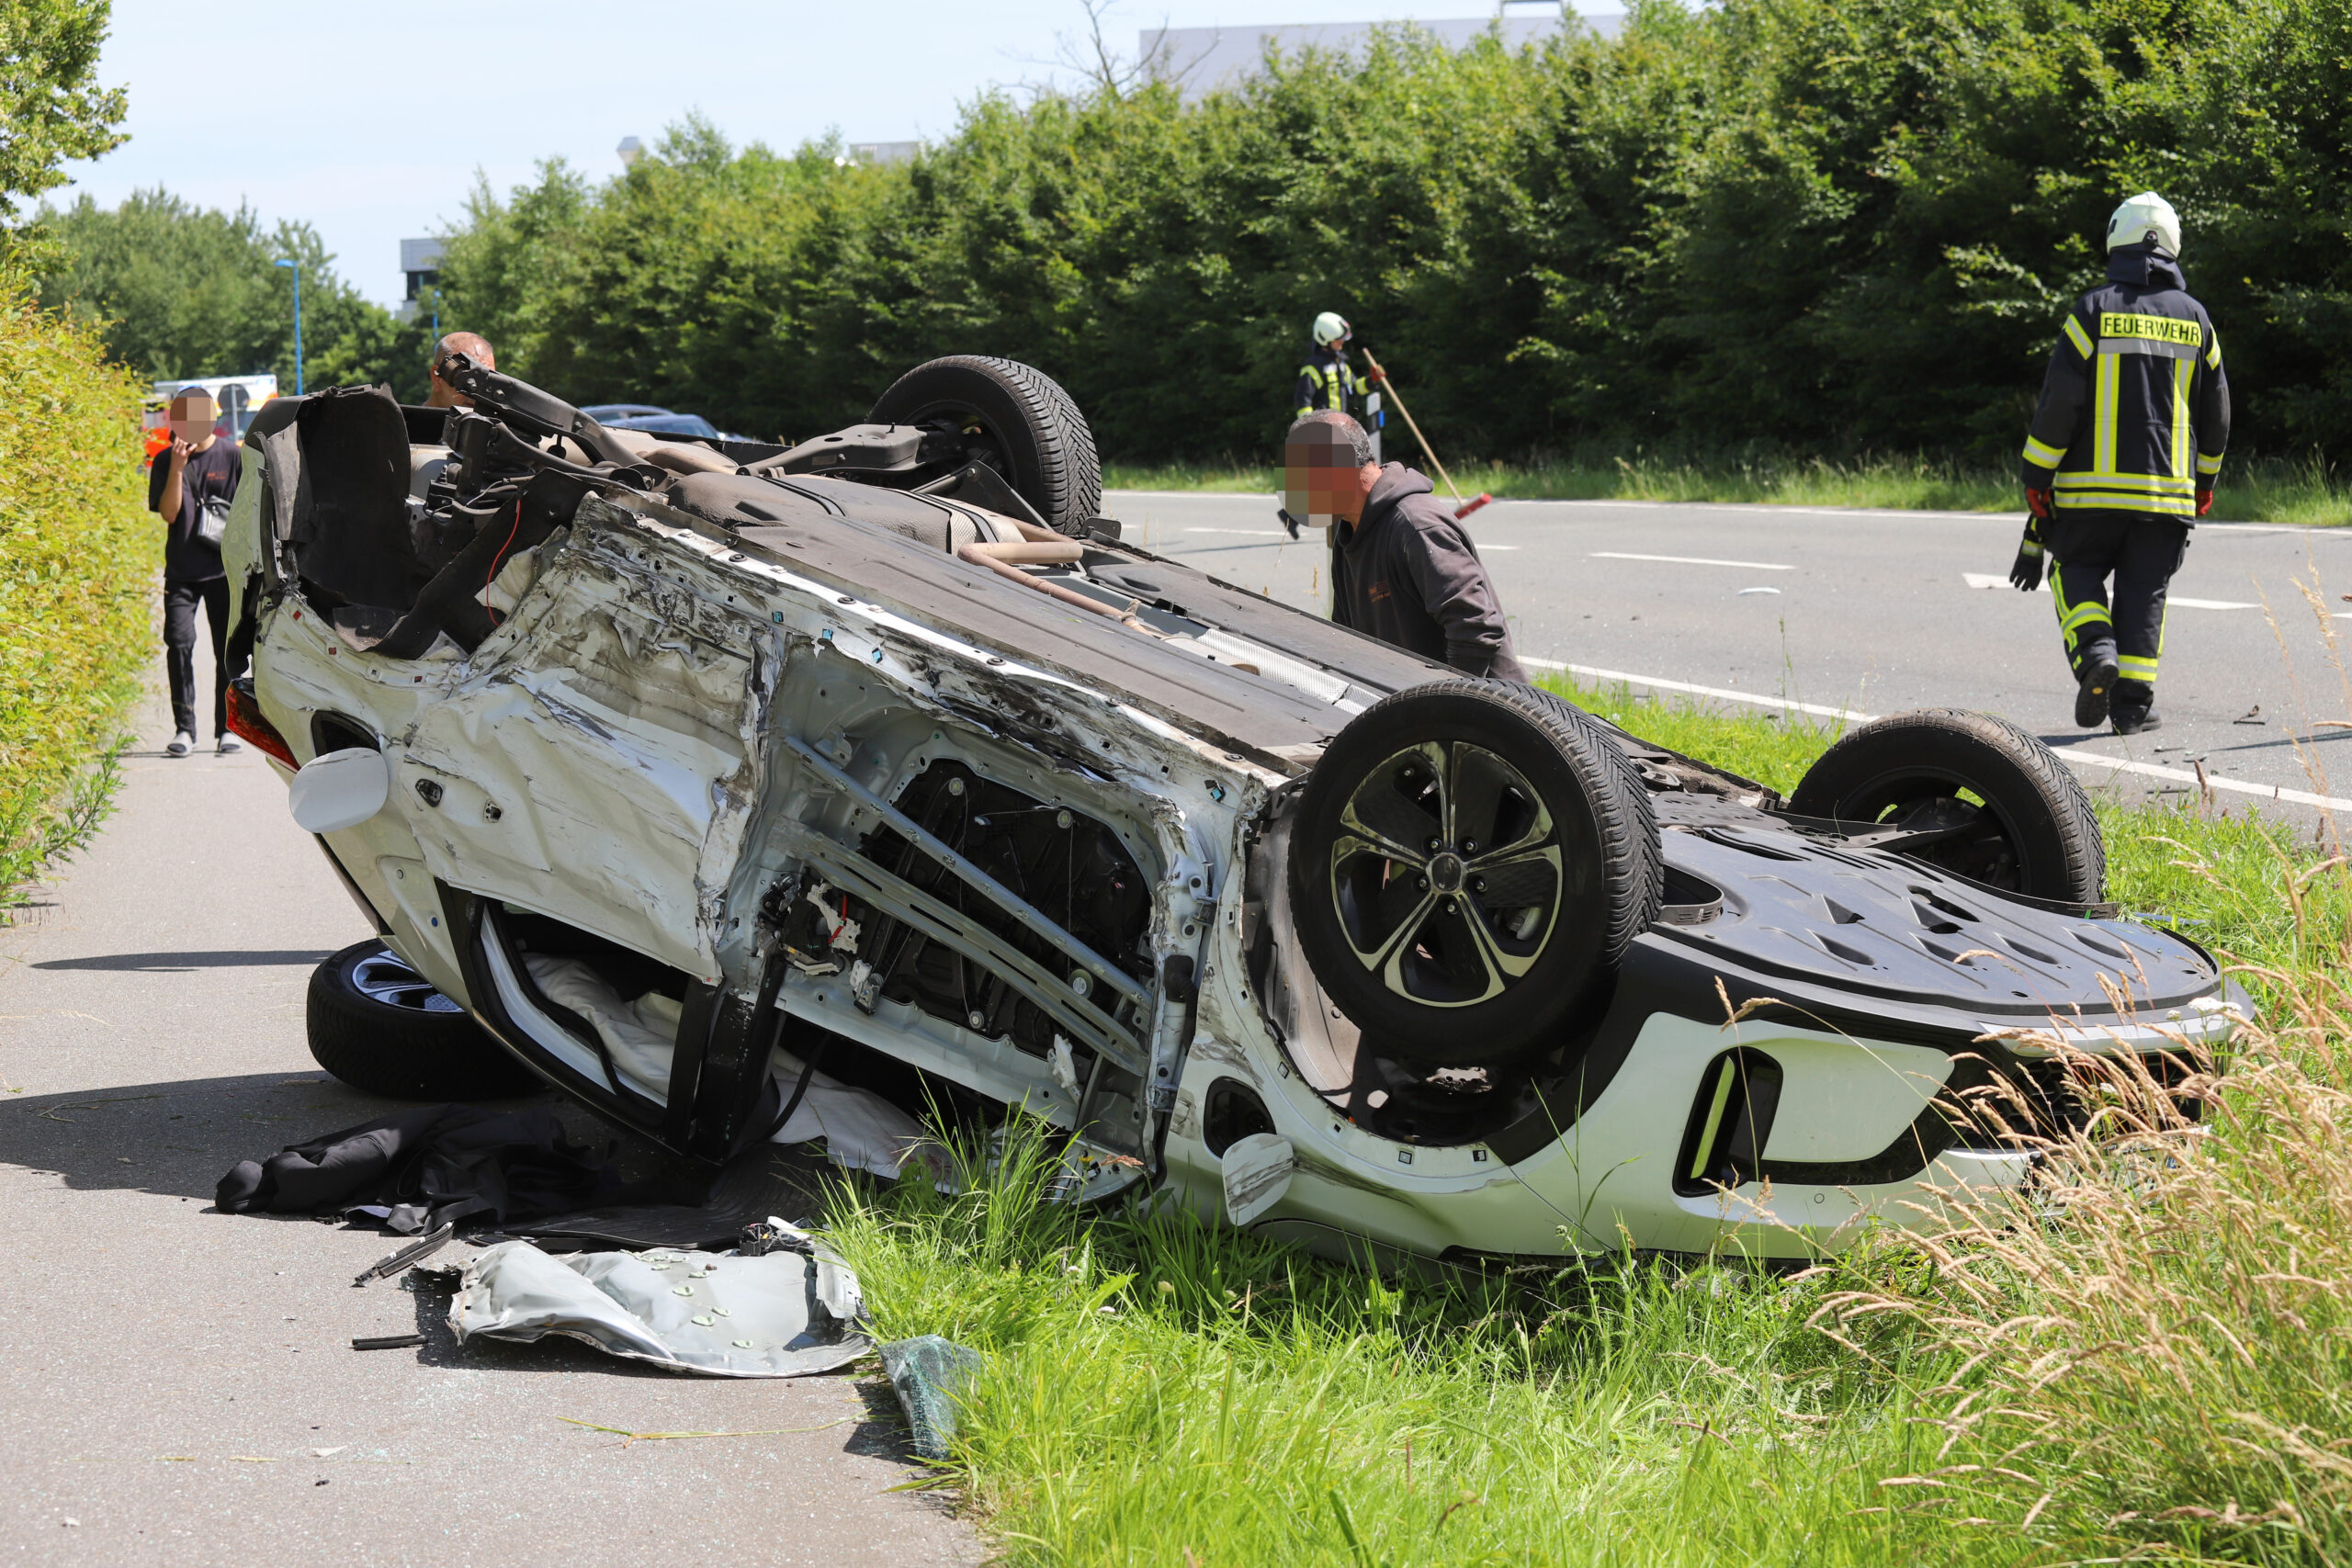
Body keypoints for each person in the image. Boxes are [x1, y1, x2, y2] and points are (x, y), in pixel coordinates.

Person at [2010, 192, 2230, 737]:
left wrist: (2037, 476)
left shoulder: (2094, 309)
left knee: (2073, 570)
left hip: (2090, 497)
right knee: (2144, 592)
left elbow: (2059, 402)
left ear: (2116, 240)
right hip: (2167, 498)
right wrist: (2204, 482)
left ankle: (2096, 654)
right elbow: (2219, 412)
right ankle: (2133, 709)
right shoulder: (2197, 320)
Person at [1284, 411, 1523, 681]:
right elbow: (1345, 640)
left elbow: (1475, 628)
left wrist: (1439, 711)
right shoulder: (1348, 532)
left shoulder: (1415, 524)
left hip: (1487, 710)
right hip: (1410, 710)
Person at [147, 388, 251, 757]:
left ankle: (228, 730)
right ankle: (184, 730)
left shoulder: (232, 456)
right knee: (179, 644)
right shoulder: (165, 461)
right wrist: (177, 469)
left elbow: (246, 514)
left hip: (224, 572)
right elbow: (170, 515)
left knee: (228, 652)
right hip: (181, 572)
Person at [424, 331, 496, 408]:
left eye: (487, 381)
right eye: (468, 380)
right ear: (437, 379)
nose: (478, 393)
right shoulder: (410, 419)